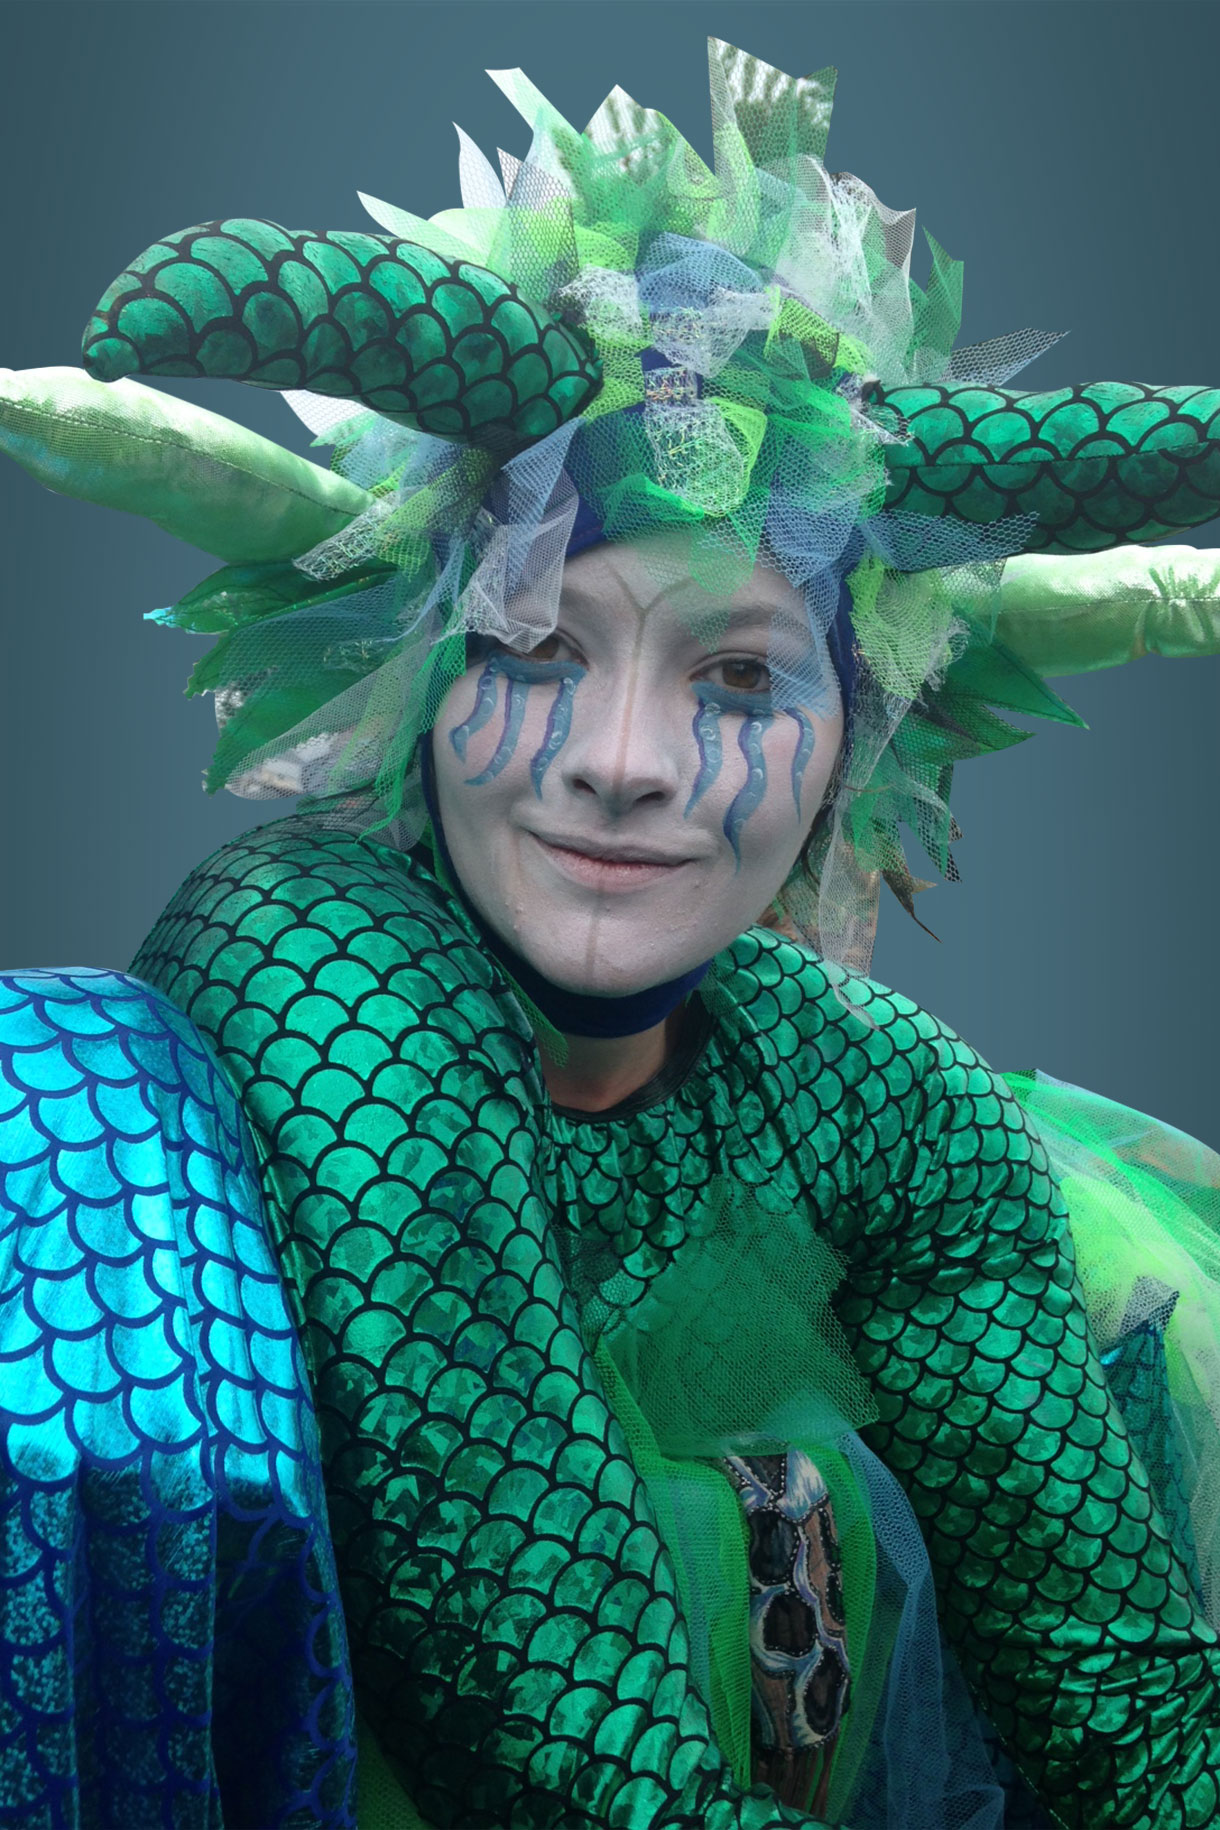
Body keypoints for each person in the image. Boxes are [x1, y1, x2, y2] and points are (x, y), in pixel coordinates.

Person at [6, 37, 1220, 1830]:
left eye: (737, 677)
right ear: (421, 673)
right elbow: (577, 1748)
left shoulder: (883, 1095)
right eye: (532, 649)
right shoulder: (321, 953)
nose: (625, 762)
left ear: (855, 738)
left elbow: (1123, 1696)